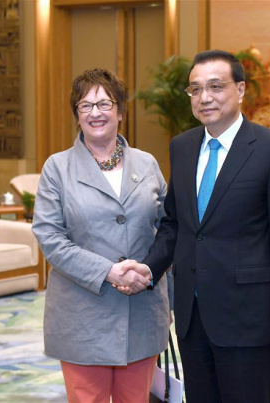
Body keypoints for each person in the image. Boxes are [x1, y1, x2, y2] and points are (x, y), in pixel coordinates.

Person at [119, 50, 270, 402]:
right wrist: (148, 267)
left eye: (216, 86)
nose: (205, 97)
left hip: (247, 314)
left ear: (241, 89)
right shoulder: (182, 147)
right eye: (195, 89)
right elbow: (175, 223)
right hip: (191, 314)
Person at [32, 68, 169, 403]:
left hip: (143, 309)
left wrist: (150, 272)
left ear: (120, 112)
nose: (96, 113)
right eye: (85, 106)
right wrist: (107, 272)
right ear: (77, 116)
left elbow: (169, 228)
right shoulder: (57, 168)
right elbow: (50, 237)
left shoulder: (148, 164)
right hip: (83, 316)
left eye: (105, 104)